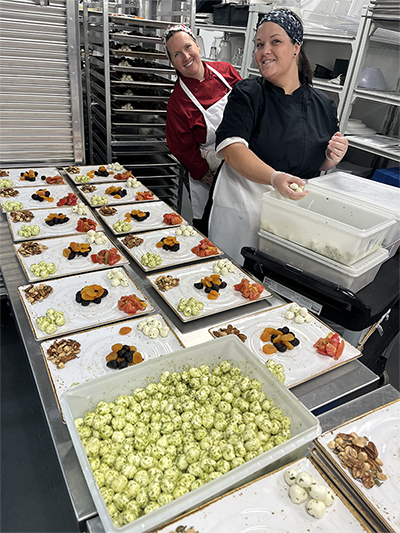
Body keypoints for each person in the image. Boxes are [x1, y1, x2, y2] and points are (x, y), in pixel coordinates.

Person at [208, 8, 348, 263]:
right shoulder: (248, 93)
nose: (265, 51)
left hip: (290, 217)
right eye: (259, 44)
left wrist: (332, 157)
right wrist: (274, 178)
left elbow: (316, 163)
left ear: (296, 47)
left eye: (276, 41)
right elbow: (232, 150)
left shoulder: (323, 105)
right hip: (243, 212)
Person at [164, 25, 242, 232]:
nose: (186, 56)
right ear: (172, 62)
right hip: (211, 168)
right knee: (215, 224)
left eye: (188, 47)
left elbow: (247, 105)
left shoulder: (226, 71)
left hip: (243, 157)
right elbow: (180, 146)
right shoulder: (178, 102)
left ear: (198, 47)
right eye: (177, 54)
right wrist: (201, 172)